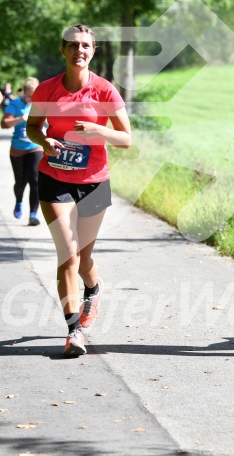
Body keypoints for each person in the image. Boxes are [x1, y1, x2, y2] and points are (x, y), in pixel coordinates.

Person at [26, 24, 131, 357]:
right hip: (54, 178)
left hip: (95, 182)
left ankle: (93, 287)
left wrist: (96, 128)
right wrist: (45, 141)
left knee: (83, 257)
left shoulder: (104, 91)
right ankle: (74, 332)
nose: (79, 50)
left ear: (93, 50)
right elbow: (32, 127)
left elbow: (126, 139)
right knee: (68, 255)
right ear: (63, 50)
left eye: (85, 45)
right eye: (72, 45)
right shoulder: (46, 89)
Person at [1, 77, 43, 226]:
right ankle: (19, 201)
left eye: (35, 95)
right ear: (24, 92)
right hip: (18, 150)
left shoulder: (41, 105)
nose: (33, 98)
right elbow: (4, 124)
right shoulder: (15, 104)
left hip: (35, 147)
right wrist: (20, 118)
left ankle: (33, 214)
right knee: (20, 183)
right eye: (30, 95)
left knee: (35, 180)